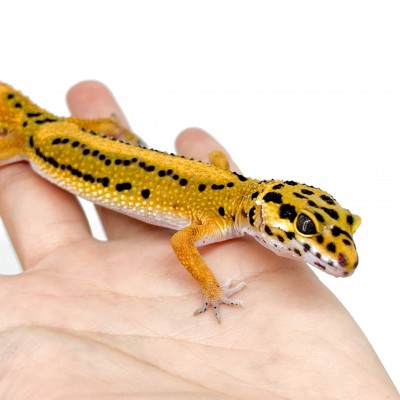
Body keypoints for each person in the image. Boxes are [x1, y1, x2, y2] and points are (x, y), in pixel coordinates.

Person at [0, 81, 398, 399]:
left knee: (98, 128)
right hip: (35, 143)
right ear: (263, 211)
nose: (340, 256)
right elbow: (181, 244)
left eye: (345, 227)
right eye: (307, 229)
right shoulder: (218, 214)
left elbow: (219, 166)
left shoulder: (235, 193)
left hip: (67, 133)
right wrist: (212, 290)